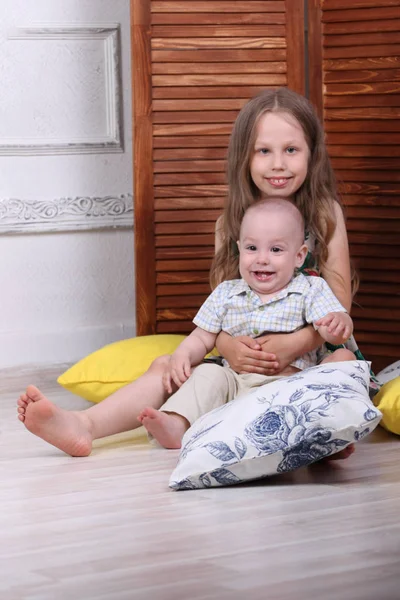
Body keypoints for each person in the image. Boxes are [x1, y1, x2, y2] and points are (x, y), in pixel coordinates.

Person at [17, 87, 361, 459]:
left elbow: (339, 303)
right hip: (241, 358)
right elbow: (222, 309)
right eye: (264, 151)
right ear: (245, 157)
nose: (278, 164)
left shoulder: (325, 215)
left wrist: (296, 343)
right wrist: (229, 348)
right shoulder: (229, 224)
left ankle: (323, 435)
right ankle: (85, 426)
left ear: (312, 154)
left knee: (342, 365)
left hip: (309, 351)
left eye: (291, 150)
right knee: (167, 365)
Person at [137, 198, 355, 449]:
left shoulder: (310, 289)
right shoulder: (226, 293)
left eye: (275, 250)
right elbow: (202, 336)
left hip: (290, 390)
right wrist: (183, 354)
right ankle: (177, 424)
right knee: (208, 373)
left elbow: (331, 333)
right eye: (252, 248)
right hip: (236, 385)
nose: (262, 259)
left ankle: (325, 436)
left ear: (299, 256)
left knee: (344, 359)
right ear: (239, 248)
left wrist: (337, 324)